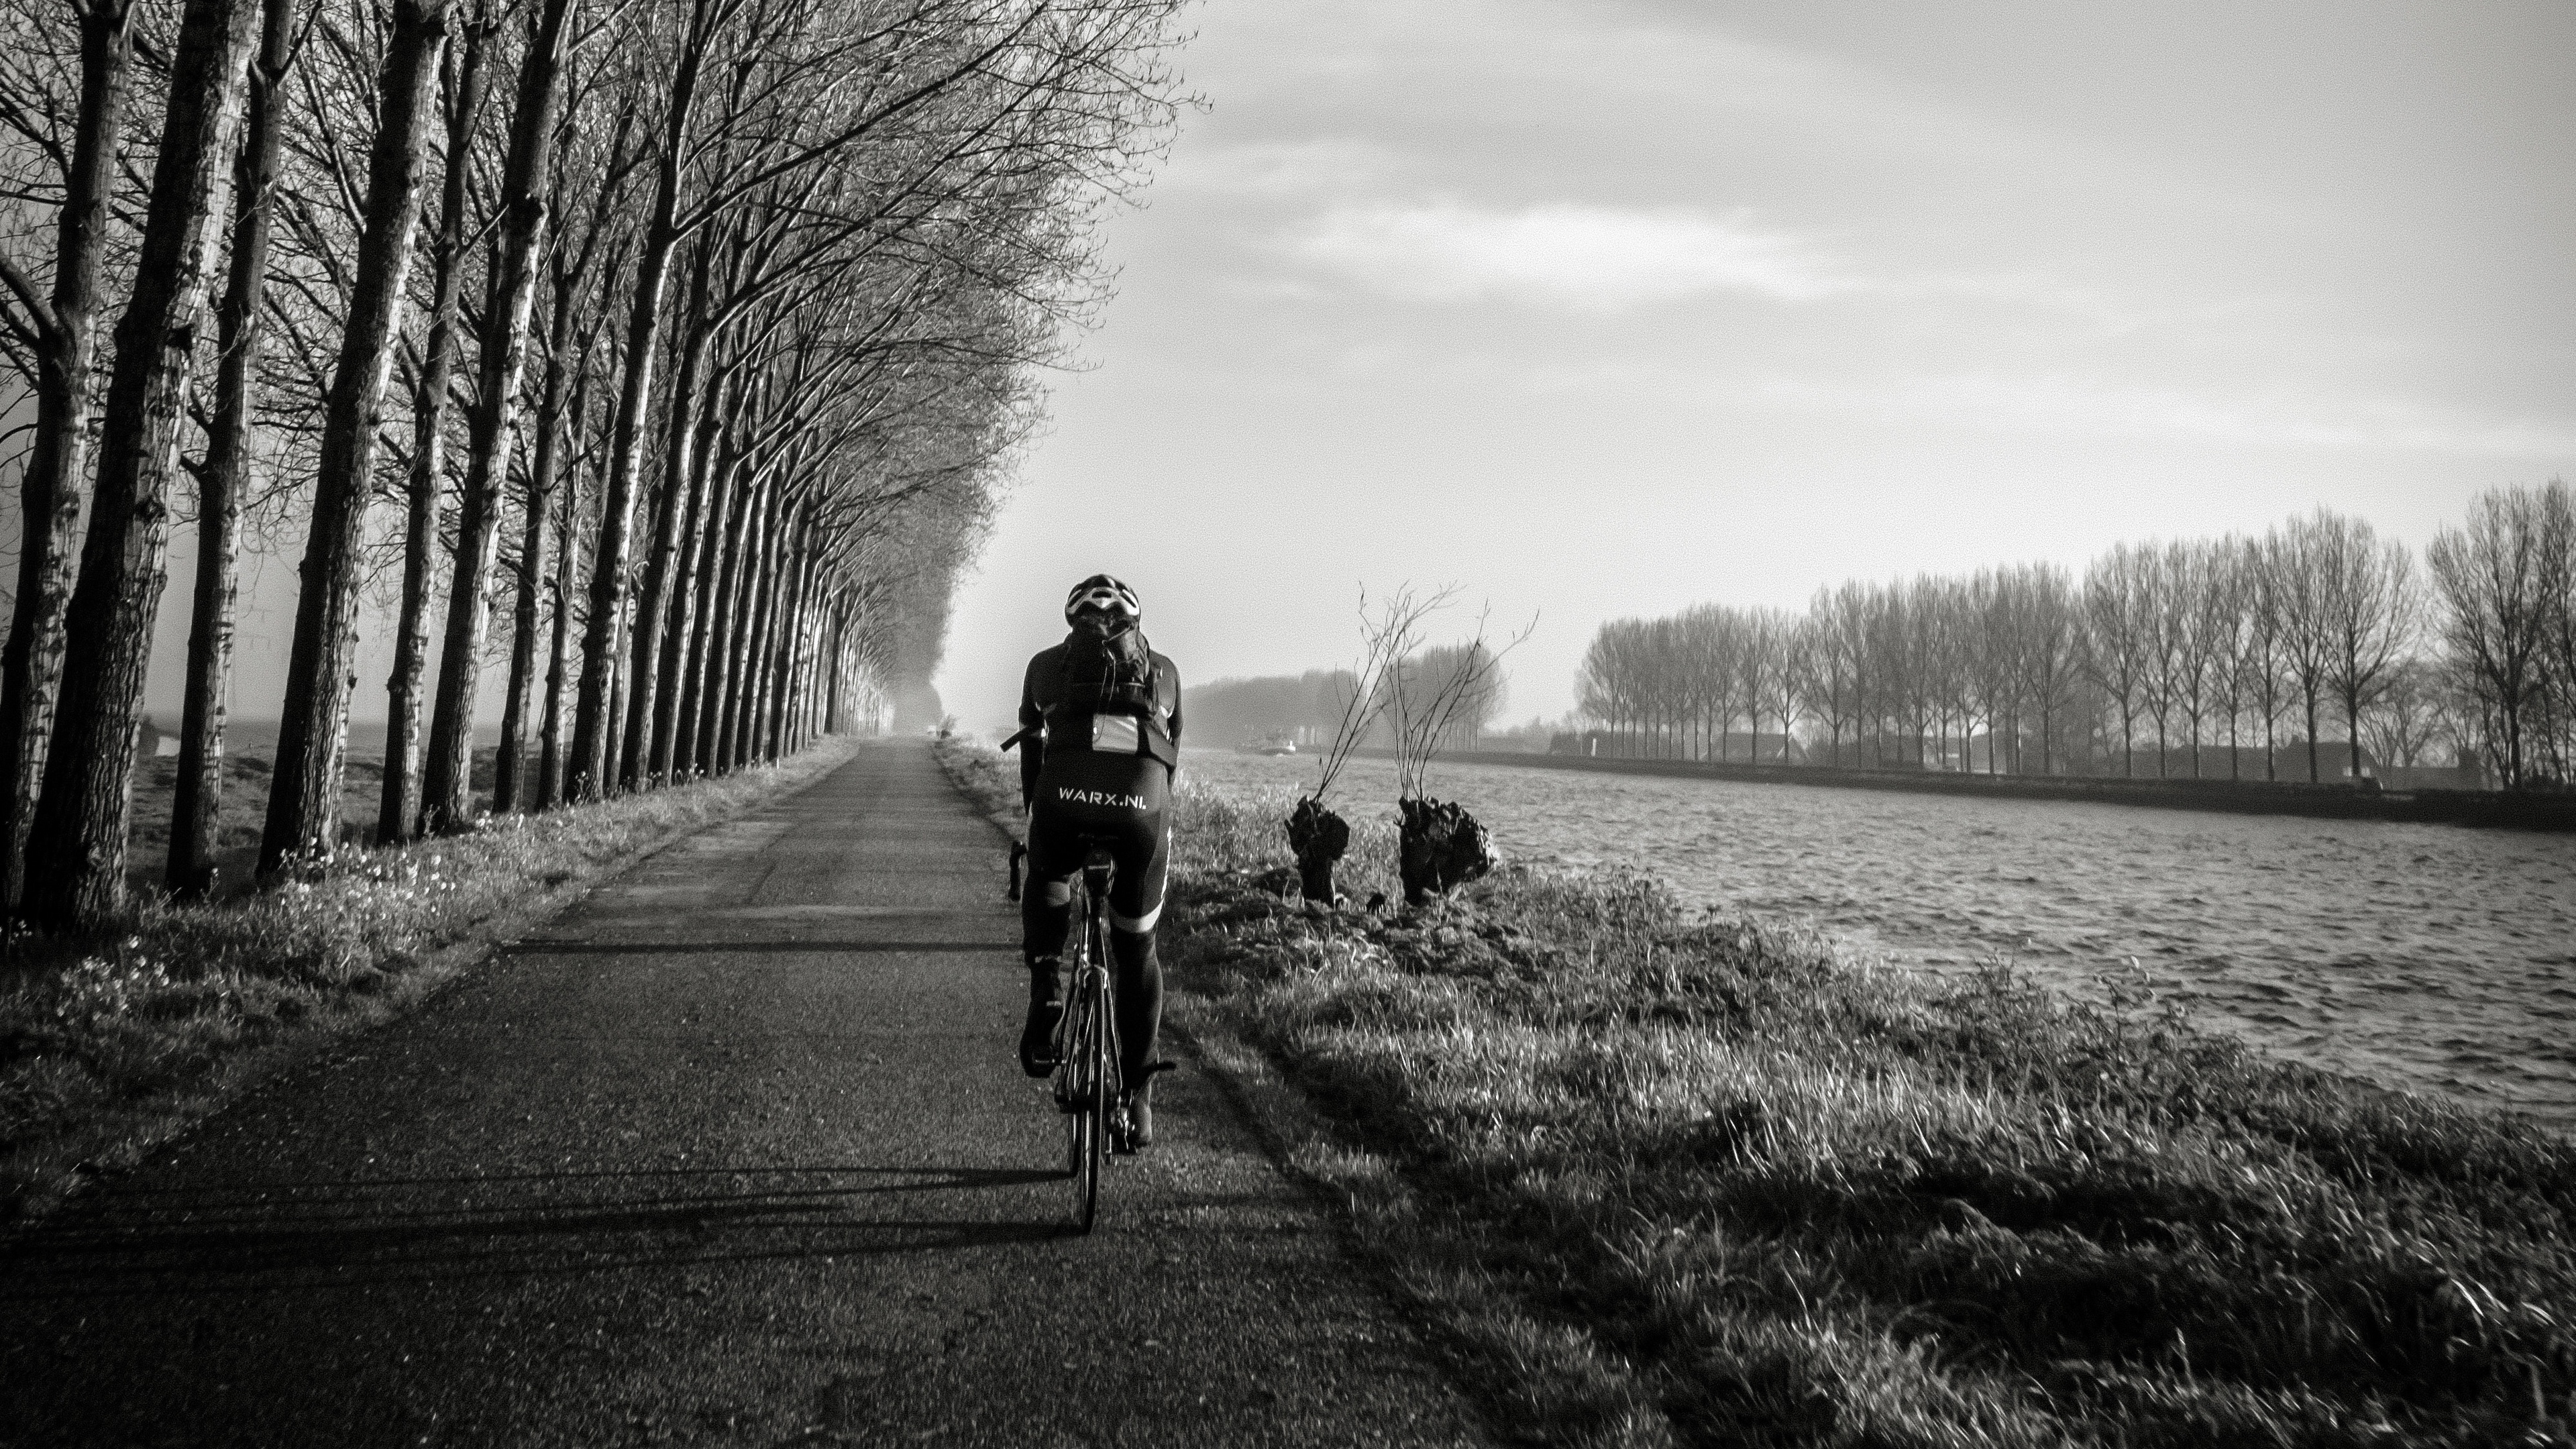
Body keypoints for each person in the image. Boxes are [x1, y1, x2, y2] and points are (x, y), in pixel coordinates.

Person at [1008, 574, 1183, 1151]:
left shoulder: (1043, 667)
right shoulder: (1166, 673)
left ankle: (1046, 985)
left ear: (1072, 622)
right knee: (1137, 949)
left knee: (1050, 873)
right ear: (1135, 623)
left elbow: (1032, 751)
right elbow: (1170, 764)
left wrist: (1035, 817)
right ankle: (1140, 1097)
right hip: (1141, 811)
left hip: (1062, 802)